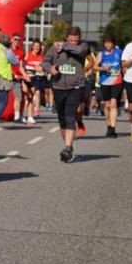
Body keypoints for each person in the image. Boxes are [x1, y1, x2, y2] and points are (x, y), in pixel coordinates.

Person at [43, 26, 88, 163]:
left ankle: (68, 147)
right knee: (62, 119)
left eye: (76, 40)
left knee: (70, 117)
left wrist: (65, 46)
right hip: (58, 86)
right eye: (71, 40)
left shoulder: (83, 46)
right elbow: (44, 61)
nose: (74, 42)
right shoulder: (55, 46)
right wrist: (50, 68)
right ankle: (69, 147)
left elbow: (79, 51)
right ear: (67, 38)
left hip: (75, 86)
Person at [95, 35, 124, 138]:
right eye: (106, 43)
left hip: (117, 81)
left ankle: (113, 127)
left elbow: (124, 62)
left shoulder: (119, 52)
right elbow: (95, 66)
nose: (107, 45)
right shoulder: (101, 54)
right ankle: (108, 125)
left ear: (113, 43)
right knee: (107, 105)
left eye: (109, 42)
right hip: (105, 82)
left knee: (113, 104)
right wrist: (103, 68)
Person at [23, 40, 45, 124]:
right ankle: (20, 116)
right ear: (32, 46)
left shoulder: (40, 57)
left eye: (38, 46)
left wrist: (40, 69)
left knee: (30, 97)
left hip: (33, 78)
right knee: (24, 95)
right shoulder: (27, 54)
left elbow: (40, 68)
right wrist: (33, 68)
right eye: (35, 46)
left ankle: (29, 116)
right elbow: (23, 65)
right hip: (25, 77)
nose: (36, 48)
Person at [9, 33, 26, 122]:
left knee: (18, 97)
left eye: (19, 40)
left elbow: (20, 66)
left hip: (16, 78)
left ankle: (17, 116)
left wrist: (25, 75)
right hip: (6, 77)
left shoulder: (20, 52)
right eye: (15, 39)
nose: (17, 41)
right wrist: (11, 73)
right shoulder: (7, 50)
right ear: (11, 40)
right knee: (0, 97)